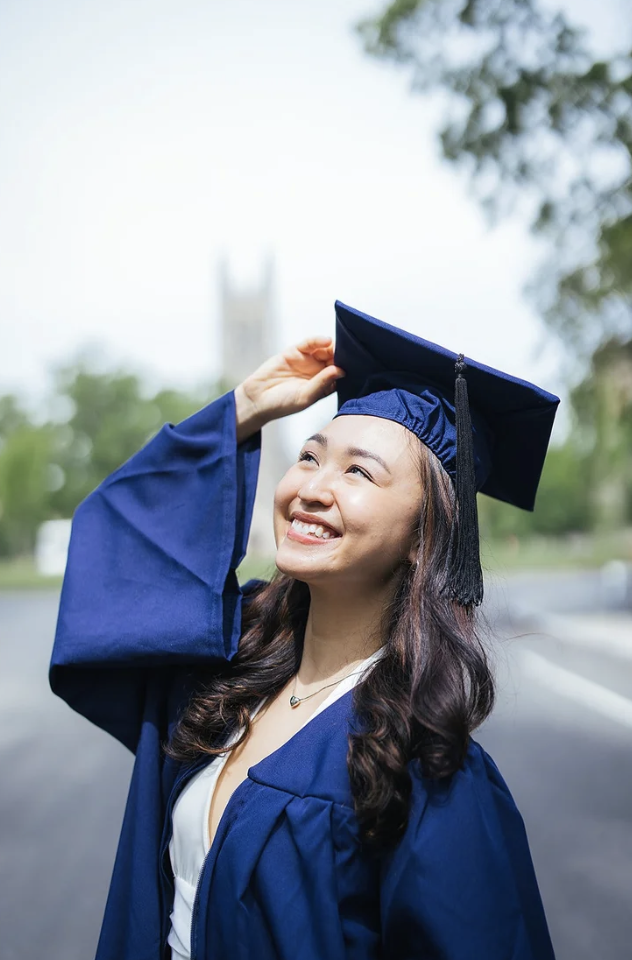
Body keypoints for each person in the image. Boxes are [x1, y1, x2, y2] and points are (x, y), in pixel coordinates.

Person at [50, 301, 560, 960]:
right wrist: (242, 409)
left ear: (423, 534)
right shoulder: (225, 669)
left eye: (358, 472)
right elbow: (116, 575)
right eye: (311, 457)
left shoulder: (426, 769)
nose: (313, 488)